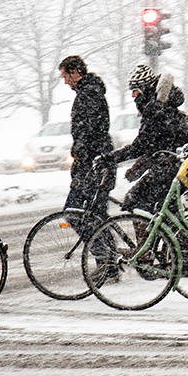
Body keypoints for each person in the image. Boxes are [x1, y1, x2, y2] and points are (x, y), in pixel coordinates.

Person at [105, 64, 188, 213]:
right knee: (162, 211)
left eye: (135, 90)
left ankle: (153, 236)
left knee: (134, 201)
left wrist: (109, 158)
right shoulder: (160, 107)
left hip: (172, 168)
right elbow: (155, 144)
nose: (133, 95)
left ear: (144, 89)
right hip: (178, 166)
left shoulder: (156, 110)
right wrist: (139, 165)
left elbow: (142, 145)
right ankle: (171, 234)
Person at [58, 55, 115, 240]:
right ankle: (108, 261)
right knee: (96, 216)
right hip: (96, 163)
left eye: (66, 77)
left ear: (75, 73)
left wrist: (80, 157)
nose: (66, 82)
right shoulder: (91, 92)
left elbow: (89, 132)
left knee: (75, 212)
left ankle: (104, 256)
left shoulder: (88, 94)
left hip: (92, 165)